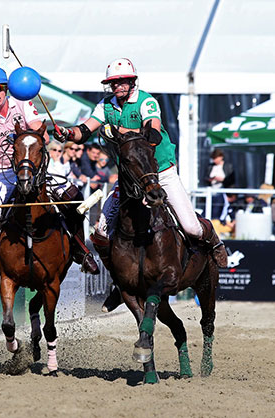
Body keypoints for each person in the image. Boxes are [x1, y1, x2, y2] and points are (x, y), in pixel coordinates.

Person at [54, 57, 228, 310]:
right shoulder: (106, 106)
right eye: (113, 83)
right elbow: (85, 129)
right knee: (101, 233)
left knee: (190, 227)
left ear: (132, 81)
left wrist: (119, 132)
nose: (117, 87)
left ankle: (213, 239)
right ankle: (120, 281)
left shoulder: (146, 101)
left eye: (122, 82)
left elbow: (153, 131)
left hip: (160, 172)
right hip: (128, 179)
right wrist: (68, 133)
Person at [0, 66, 99, 295]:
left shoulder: (23, 103)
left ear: (7, 89)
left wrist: (33, 134)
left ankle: (80, 250)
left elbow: (42, 134)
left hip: (31, 166)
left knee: (74, 198)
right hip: (0, 171)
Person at [203, 149, 235, 220]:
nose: (214, 160)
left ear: (221, 157)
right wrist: (211, 179)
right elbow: (205, 178)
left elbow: (231, 180)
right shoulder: (210, 166)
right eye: (213, 159)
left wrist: (222, 180)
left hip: (223, 193)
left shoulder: (228, 166)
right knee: (206, 210)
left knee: (217, 210)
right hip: (212, 192)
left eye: (215, 158)